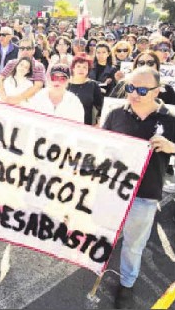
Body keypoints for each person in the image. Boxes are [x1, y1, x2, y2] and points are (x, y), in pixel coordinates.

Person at [102, 67, 175, 309]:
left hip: (145, 194)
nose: (134, 94)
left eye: (142, 90)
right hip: (113, 189)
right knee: (105, 231)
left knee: (133, 243)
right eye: (130, 87)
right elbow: (101, 146)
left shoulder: (169, 120)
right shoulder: (115, 114)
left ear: (157, 91)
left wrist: (171, 147)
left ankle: (127, 284)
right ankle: (99, 264)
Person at [0, 37, 46, 105]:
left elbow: (37, 86)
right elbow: (0, 79)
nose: (25, 51)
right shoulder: (11, 63)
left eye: (28, 48)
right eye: (22, 48)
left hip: (27, 104)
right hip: (6, 101)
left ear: (33, 50)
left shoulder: (38, 66)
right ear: (19, 50)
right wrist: (3, 96)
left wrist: (17, 99)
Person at [68, 53, 103, 125]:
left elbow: (101, 107)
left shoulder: (93, 85)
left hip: (85, 126)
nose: (81, 69)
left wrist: (98, 124)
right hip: (65, 124)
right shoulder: (65, 84)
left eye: (85, 67)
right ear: (73, 68)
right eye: (78, 66)